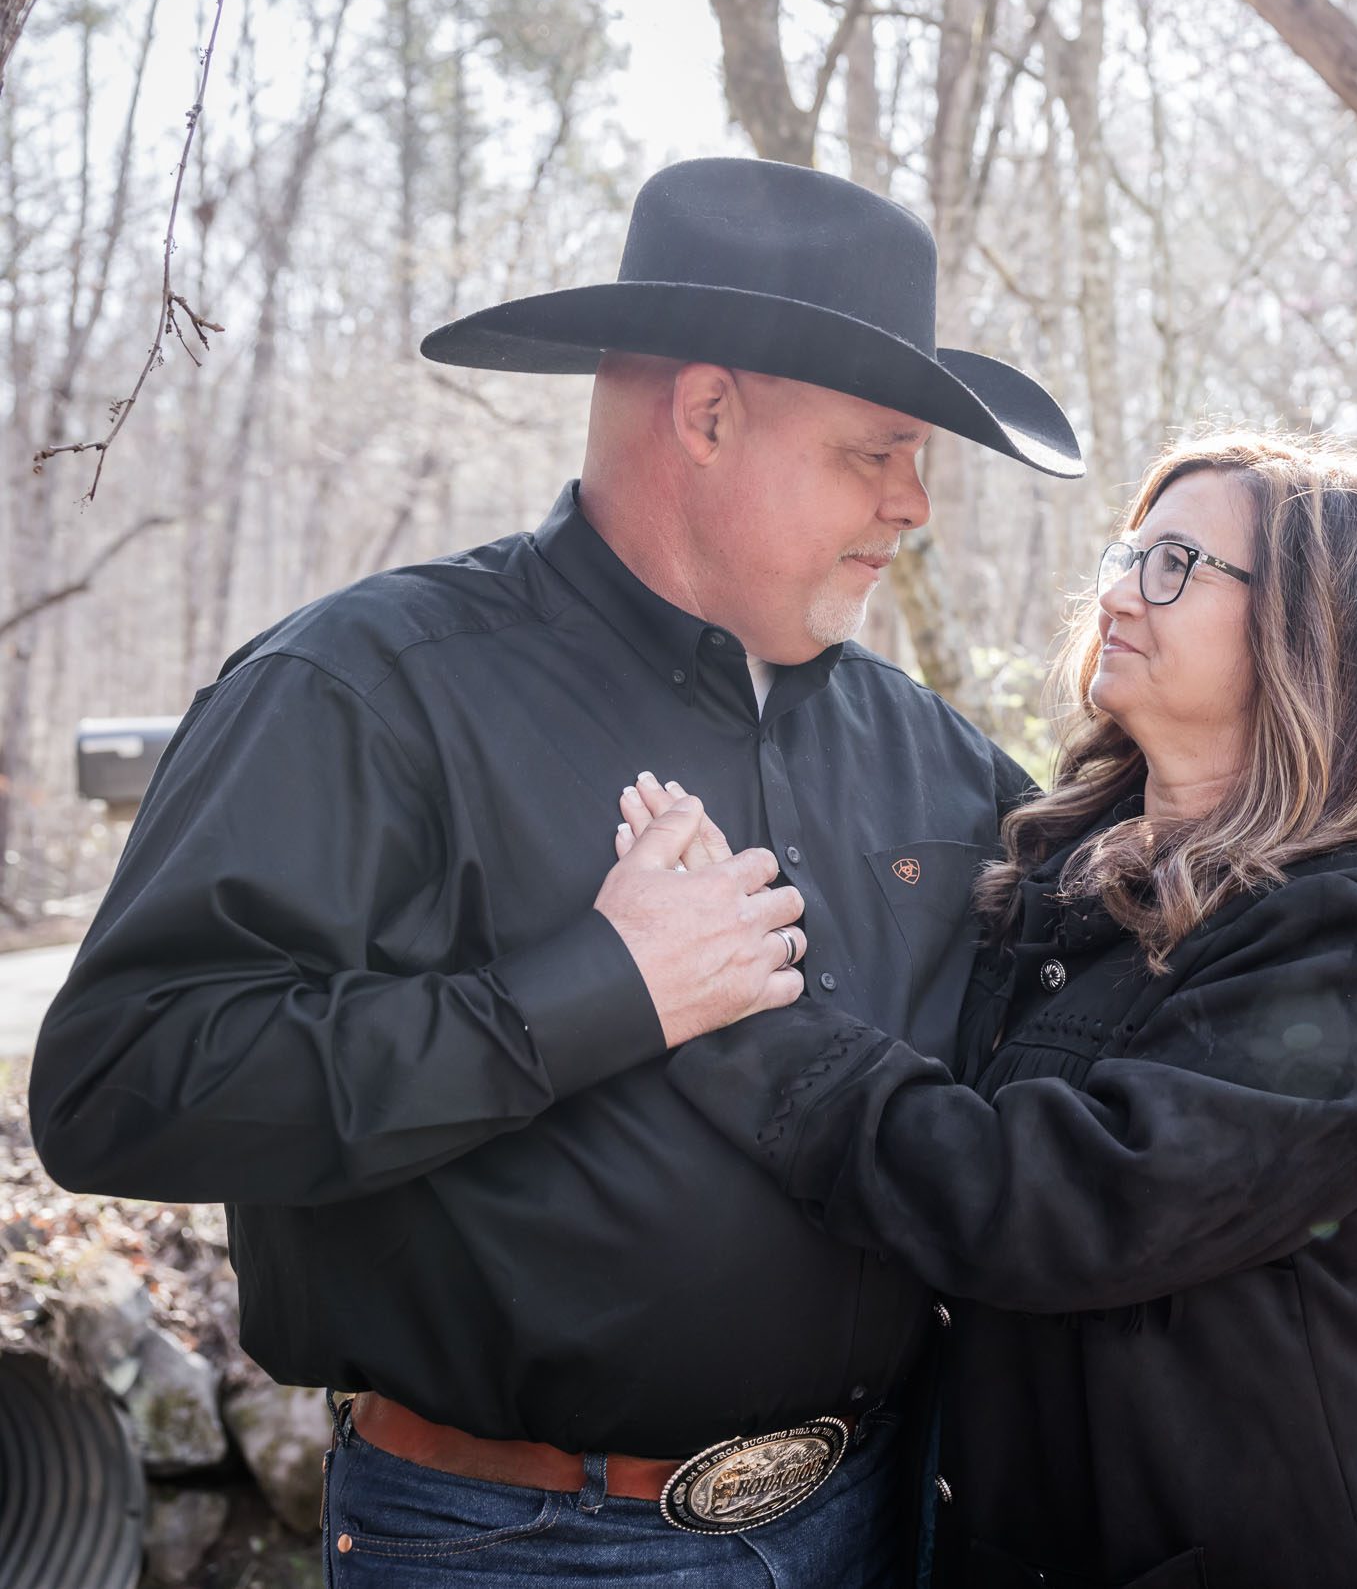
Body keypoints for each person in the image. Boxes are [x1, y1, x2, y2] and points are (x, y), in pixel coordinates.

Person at [30, 157, 1081, 1584]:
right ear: (707, 412)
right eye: (874, 449)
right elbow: (119, 1090)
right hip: (517, 1543)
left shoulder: (938, 757)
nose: (916, 504)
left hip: (887, 1515)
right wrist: (599, 991)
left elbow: (1091, 1056)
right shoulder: (363, 689)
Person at [641, 432, 1357, 1589]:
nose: (1118, 590)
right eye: (1127, 552)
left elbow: (1057, 1204)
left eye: (1177, 565)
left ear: (1312, 632)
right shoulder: (1056, 878)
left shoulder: (1350, 942)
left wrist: (737, 1010)